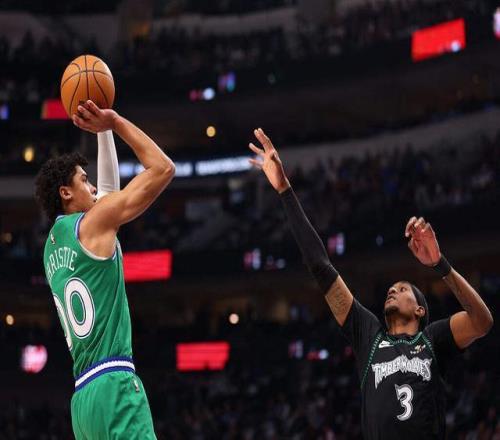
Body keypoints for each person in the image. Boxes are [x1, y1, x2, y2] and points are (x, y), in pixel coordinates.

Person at [248, 128, 493, 439]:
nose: (393, 290)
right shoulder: (369, 336)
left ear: (420, 310)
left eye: (402, 289)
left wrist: (439, 264)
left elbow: (482, 321)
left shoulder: (433, 339)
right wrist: (285, 190)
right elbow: (321, 266)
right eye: (392, 288)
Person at [35, 100, 175, 439]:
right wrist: (115, 122)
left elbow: (109, 194)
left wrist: (103, 132)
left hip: (83, 402)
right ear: (66, 192)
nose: (94, 187)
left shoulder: (52, 247)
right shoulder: (92, 225)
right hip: (114, 384)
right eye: (85, 181)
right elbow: (163, 169)